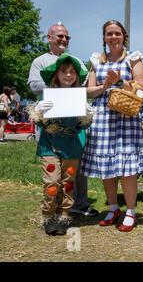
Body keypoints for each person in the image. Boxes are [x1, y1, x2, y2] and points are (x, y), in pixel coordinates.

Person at [81, 20, 143, 232]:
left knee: (127, 167)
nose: (113, 37)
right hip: (102, 118)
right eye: (109, 34)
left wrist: (122, 83)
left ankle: (130, 211)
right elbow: (89, 91)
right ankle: (112, 207)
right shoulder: (96, 61)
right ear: (104, 37)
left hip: (126, 117)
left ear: (124, 36)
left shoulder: (133, 59)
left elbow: (142, 87)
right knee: (106, 166)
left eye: (117, 33)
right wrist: (106, 85)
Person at [27, 22, 98, 218]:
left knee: (72, 175)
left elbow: (84, 85)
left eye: (67, 37)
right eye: (59, 36)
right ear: (49, 38)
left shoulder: (76, 61)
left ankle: (75, 206)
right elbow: (34, 85)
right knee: (52, 177)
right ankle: (50, 212)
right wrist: (55, 93)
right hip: (51, 128)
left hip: (73, 133)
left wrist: (82, 107)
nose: (63, 40)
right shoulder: (40, 61)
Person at [28, 53, 91, 235]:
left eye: (72, 72)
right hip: (49, 146)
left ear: (76, 76)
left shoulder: (79, 97)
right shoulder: (47, 97)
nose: (68, 75)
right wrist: (38, 112)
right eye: (64, 71)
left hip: (72, 145)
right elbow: (40, 123)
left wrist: (87, 115)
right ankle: (48, 216)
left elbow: (82, 125)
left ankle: (64, 215)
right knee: (52, 182)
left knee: (68, 183)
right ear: (57, 74)